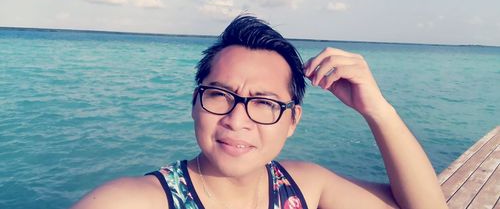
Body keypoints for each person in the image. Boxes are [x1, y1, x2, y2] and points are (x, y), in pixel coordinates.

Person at [71, 15, 448, 209]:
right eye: (220, 95)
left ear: (292, 121)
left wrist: (377, 110)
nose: (237, 120)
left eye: (265, 104)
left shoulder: (304, 187)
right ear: (194, 104)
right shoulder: (135, 200)